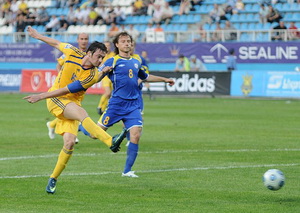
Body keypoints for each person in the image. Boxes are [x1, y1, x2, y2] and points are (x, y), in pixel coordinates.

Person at [23, 26, 127, 194]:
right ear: (89, 53)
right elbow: (55, 43)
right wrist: (37, 35)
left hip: (70, 102)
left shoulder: (92, 75)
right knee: (82, 115)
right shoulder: (72, 52)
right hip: (55, 99)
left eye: (103, 58)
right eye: (99, 57)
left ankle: (53, 179)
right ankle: (110, 142)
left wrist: (103, 72)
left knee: (70, 143)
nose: (100, 61)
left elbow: (69, 90)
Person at [97, 32, 175, 178]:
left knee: (136, 135)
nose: (127, 44)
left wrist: (165, 79)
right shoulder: (112, 61)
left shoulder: (136, 61)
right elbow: (96, 77)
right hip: (116, 105)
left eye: (129, 41)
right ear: (117, 45)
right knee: (95, 134)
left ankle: (127, 171)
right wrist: (102, 73)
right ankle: (83, 125)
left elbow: (145, 77)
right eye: (124, 41)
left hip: (133, 105)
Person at [47, 32, 90, 141]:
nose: (84, 41)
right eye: (82, 38)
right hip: (65, 88)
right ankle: (71, 133)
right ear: (78, 40)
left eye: (86, 39)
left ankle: (52, 125)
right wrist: (61, 77)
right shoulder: (71, 52)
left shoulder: (90, 55)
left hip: (77, 89)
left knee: (71, 110)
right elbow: (59, 65)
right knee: (73, 111)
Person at [97, 41, 115, 115]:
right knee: (108, 93)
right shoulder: (102, 55)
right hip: (105, 77)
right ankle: (99, 106)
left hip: (112, 76)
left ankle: (103, 109)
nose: (107, 47)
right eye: (106, 46)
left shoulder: (113, 55)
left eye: (108, 45)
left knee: (110, 95)